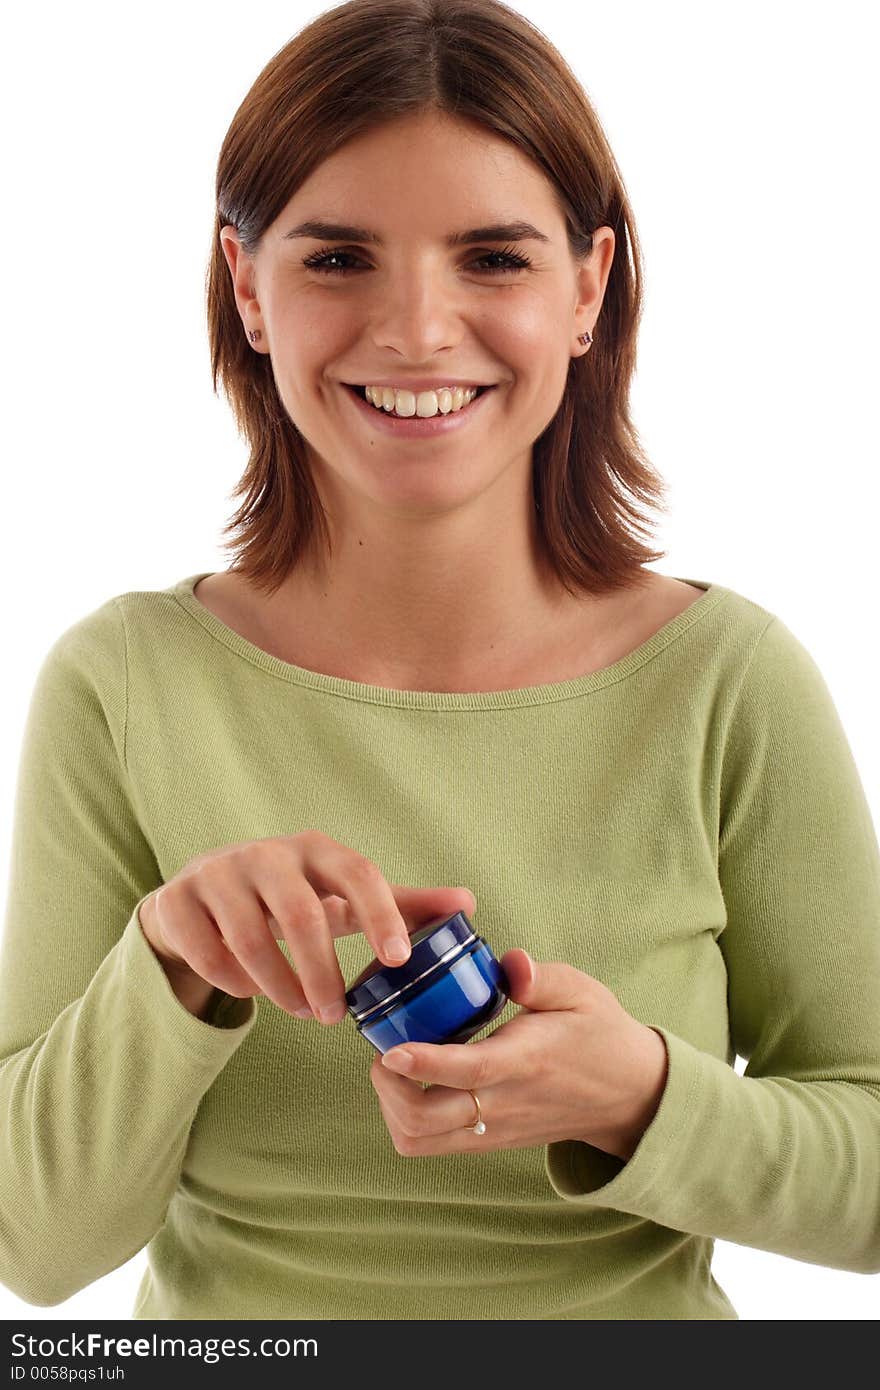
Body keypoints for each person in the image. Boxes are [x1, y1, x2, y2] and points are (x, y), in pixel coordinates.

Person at [1, 0, 879, 1322]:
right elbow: (36, 1241)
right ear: (247, 287)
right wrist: (169, 962)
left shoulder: (728, 682)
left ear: (587, 289)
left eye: (493, 259)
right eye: (339, 256)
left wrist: (642, 1094)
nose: (416, 330)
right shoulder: (123, 682)